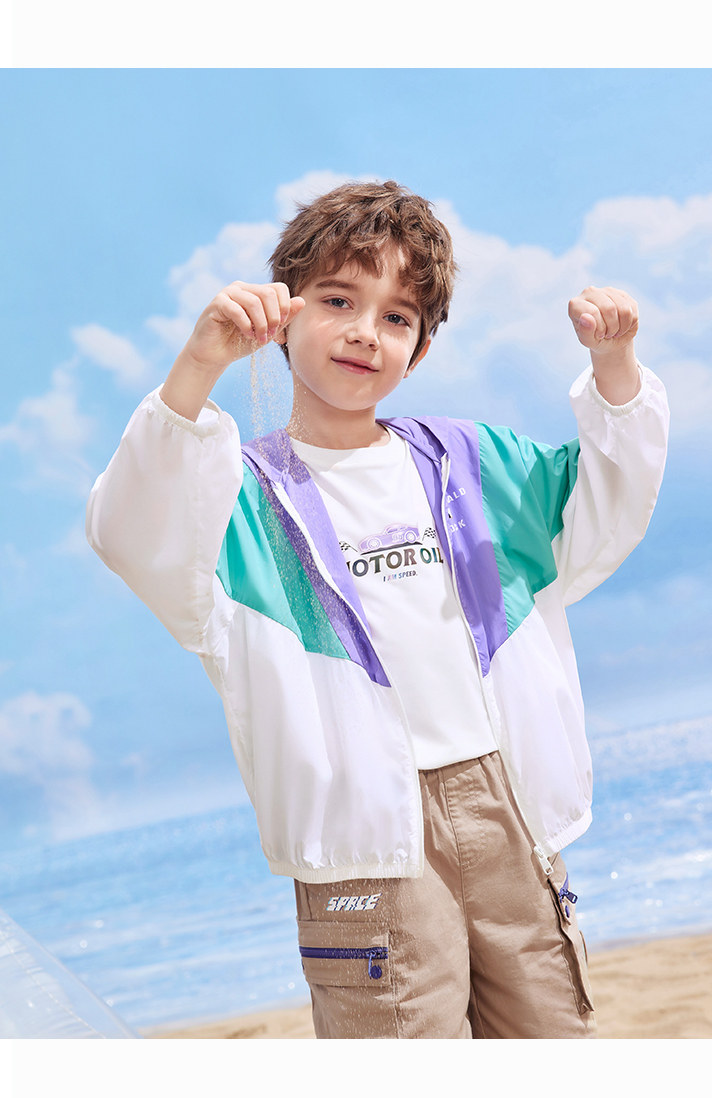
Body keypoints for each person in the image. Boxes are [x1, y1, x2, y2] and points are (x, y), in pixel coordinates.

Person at [86, 180, 669, 1039]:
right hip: (362, 842)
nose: (366, 330)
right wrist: (200, 366)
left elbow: (601, 509)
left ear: (419, 350)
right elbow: (131, 531)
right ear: (283, 313)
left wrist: (615, 366)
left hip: (509, 807)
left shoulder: (472, 461)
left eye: (397, 317)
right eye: (337, 300)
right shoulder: (235, 497)